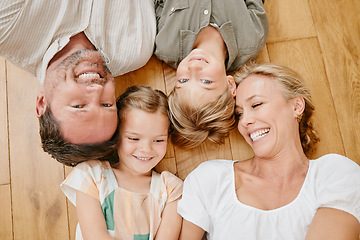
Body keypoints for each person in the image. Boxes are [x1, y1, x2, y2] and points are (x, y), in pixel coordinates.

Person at [177, 63, 360, 239]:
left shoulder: (336, 174)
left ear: (296, 106)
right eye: (239, 114)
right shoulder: (211, 179)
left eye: (256, 105)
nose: (244, 121)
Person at [0, 1, 156, 165]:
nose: (97, 89)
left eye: (78, 106)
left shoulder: (8, 26)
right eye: (106, 104)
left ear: (42, 102)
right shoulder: (134, 49)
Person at [61, 85, 183, 240]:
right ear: (116, 134)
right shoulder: (91, 175)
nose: (146, 149)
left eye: (158, 140)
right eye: (134, 138)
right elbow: (95, 236)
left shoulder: (171, 189)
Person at [154, 0, 269, 148]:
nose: (194, 67)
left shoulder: (165, 44)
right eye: (206, 81)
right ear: (230, 85)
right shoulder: (252, 40)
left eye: (183, 80)